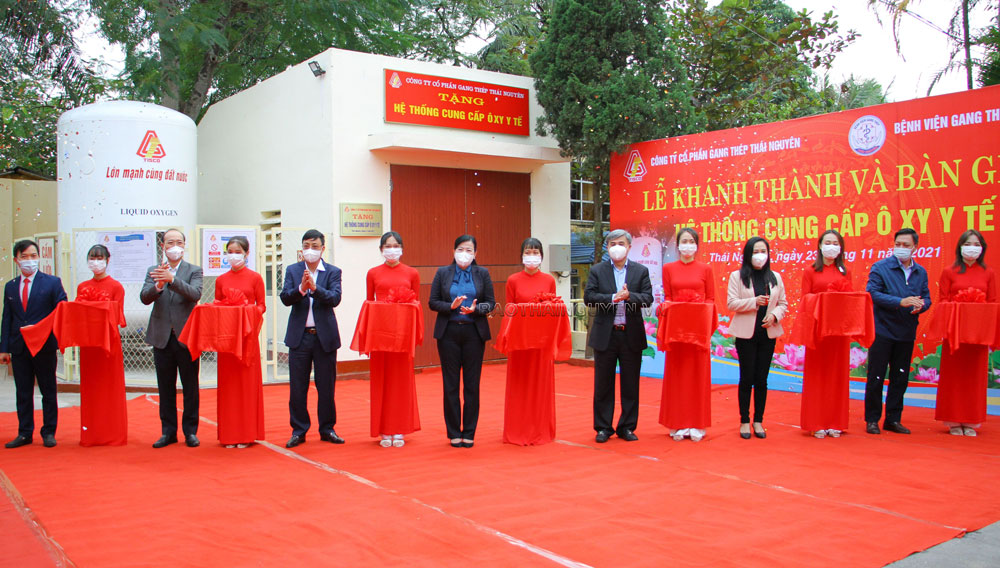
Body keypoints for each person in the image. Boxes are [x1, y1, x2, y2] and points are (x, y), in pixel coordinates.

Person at [584, 229, 653, 443]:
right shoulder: (598, 270)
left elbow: (648, 298)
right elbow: (589, 297)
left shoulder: (640, 271)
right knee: (603, 384)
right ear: (607, 247)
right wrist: (614, 297)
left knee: (630, 384)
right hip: (606, 335)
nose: (617, 247)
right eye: (612, 244)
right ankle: (603, 428)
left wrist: (629, 296)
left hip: (630, 335)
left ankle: (627, 427)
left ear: (629, 247)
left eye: (621, 243)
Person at [429, 235, 496, 448]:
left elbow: (491, 304)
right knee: (450, 385)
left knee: (471, 385)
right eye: (460, 249)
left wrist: (476, 309)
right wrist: (450, 306)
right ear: (453, 251)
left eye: (469, 250)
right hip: (448, 332)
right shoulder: (443, 273)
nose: (464, 253)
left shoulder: (482, 273)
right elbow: (433, 302)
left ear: (475, 253)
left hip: (474, 334)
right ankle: (453, 432)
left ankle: (469, 432)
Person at [1, 239, 67, 448]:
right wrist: (4, 348)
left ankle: (48, 432)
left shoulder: (52, 282)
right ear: (16, 260)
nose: (29, 261)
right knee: (23, 391)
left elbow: (62, 311)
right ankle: (24, 432)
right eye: (24, 257)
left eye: (33, 256)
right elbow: (7, 318)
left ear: (39, 257)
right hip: (19, 347)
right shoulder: (10, 287)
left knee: (48, 390)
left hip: (44, 345)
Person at [280, 229, 344, 448]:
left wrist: (315, 289)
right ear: (302, 248)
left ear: (323, 248)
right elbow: (285, 298)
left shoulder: (332, 271)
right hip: (300, 337)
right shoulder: (293, 270)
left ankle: (327, 429)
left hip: (324, 337)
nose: (311, 250)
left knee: (326, 386)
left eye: (315, 246)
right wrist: (300, 289)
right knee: (298, 387)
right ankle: (299, 430)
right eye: (307, 246)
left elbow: (335, 298)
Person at [141, 228, 204, 448]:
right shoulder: (153, 270)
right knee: (165, 387)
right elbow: (144, 298)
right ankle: (168, 432)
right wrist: (159, 284)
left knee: (190, 387)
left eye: (178, 242)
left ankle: (190, 432)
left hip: (186, 336)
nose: (174, 246)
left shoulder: (194, 270)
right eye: (170, 242)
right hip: (161, 337)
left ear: (184, 245)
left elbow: (195, 294)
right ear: (163, 246)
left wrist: (173, 279)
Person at [865, 228, 931, 435]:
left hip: (906, 331)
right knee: (876, 376)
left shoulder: (920, 272)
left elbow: (927, 297)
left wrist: (923, 305)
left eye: (906, 246)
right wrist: (900, 302)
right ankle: (872, 419)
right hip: (882, 330)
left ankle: (893, 419)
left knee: (900, 377)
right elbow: (872, 294)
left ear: (915, 248)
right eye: (898, 245)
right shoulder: (881, 268)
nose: (901, 249)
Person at [936, 230, 996, 436]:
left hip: (978, 335)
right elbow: (943, 301)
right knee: (954, 377)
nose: (972, 247)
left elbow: (993, 303)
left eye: (976, 244)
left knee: (974, 377)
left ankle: (971, 420)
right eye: (968, 243)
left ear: (982, 248)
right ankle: (953, 420)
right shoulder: (949, 271)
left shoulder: (989, 273)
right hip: (955, 334)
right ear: (960, 247)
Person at [727, 237, 787, 440]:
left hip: (767, 334)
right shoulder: (737, 276)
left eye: (763, 251)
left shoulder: (775, 277)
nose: (760, 255)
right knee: (746, 378)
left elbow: (783, 303)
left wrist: (775, 315)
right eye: (755, 251)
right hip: (746, 335)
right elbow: (732, 303)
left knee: (762, 380)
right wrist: (754, 301)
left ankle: (758, 420)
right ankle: (744, 420)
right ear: (748, 254)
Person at [364, 231, 421, 448]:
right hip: (380, 336)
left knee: (401, 382)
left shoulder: (412, 273)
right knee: (382, 381)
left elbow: (416, 305)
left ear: (402, 249)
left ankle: (400, 429)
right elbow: (369, 304)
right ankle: (383, 430)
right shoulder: (372, 273)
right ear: (381, 249)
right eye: (388, 246)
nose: (392, 249)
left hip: (402, 337)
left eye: (396, 245)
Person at [659, 228, 715, 442]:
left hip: (697, 332)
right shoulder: (668, 268)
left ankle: (696, 423)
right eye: (684, 241)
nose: (688, 245)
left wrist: (699, 318)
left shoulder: (706, 269)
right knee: (678, 376)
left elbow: (711, 300)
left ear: (697, 245)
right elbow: (667, 298)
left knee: (698, 377)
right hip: (677, 331)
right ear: (678, 245)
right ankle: (678, 423)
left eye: (692, 241)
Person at [503, 237, 559, 446]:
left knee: (540, 386)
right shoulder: (513, 280)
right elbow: (509, 310)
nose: (532, 256)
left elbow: (553, 309)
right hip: (520, 342)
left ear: (541, 256)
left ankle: (540, 428)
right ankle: (517, 429)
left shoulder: (549, 280)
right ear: (521, 255)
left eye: (536, 252)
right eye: (528, 251)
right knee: (520, 385)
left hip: (542, 343)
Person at [800, 230, 853, 439]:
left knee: (837, 375)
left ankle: (835, 421)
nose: (832, 246)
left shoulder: (845, 271)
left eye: (835, 243)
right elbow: (806, 299)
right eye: (828, 242)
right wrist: (824, 300)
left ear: (840, 248)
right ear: (820, 246)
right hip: (818, 329)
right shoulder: (810, 271)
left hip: (839, 331)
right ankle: (817, 421)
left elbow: (850, 300)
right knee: (818, 375)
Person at [214, 236, 266, 448]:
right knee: (228, 386)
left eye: (237, 251)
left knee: (246, 384)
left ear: (246, 253)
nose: (233, 255)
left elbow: (261, 306)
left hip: (247, 338)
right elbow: (218, 305)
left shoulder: (255, 278)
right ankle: (229, 434)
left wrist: (248, 312)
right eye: (230, 251)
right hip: (227, 340)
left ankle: (246, 434)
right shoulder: (221, 280)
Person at [77, 244, 128, 446]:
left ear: (108, 260)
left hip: (108, 344)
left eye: (100, 257)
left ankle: (112, 434)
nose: (96, 261)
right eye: (92, 257)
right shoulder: (82, 287)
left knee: (109, 388)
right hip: (88, 344)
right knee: (91, 389)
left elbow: (117, 316)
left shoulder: (116, 287)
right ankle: (91, 434)